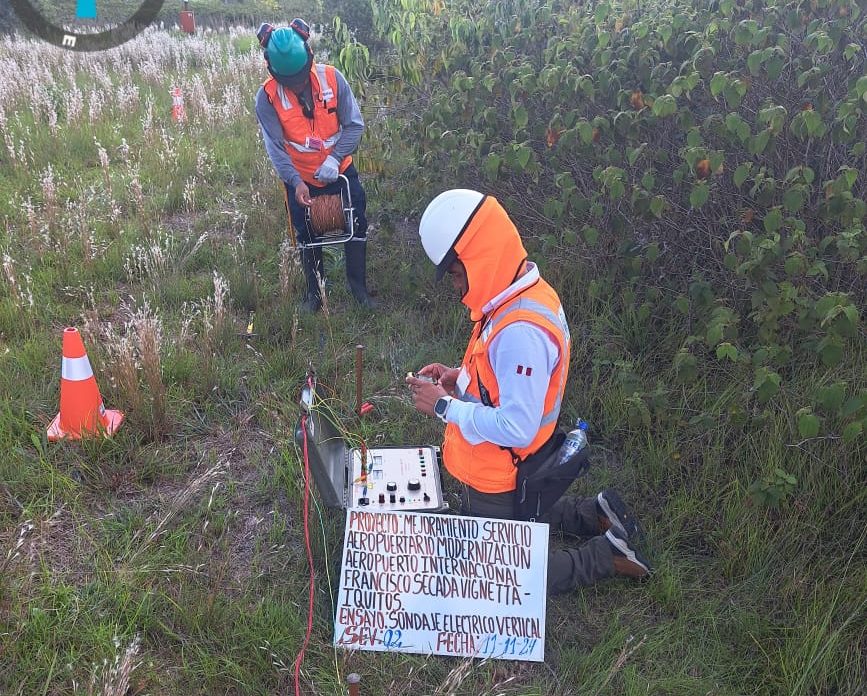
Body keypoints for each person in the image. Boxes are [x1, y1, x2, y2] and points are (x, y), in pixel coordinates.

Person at [406, 189, 652, 594]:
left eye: (455, 273)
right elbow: (501, 382)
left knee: (501, 576)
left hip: (501, 473)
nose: (456, 286)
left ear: (478, 257)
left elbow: (517, 427)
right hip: (512, 469)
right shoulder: (520, 292)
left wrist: (444, 407)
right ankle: (594, 513)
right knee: (518, 515)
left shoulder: (521, 329)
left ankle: (608, 555)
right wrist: (458, 378)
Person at [254, 19, 376, 312]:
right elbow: (275, 148)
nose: (298, 84)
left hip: (339, 170)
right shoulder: (267, 98)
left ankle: (359, 290)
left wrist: (335, 158)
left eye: (300, 76)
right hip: (301, 178)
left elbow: (354, 125)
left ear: (309, 56)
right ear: (273, 70)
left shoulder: (333, 79)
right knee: (306, 235)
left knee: (357, 223)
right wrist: (295, 182)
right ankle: (315, 295)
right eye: (290, 80)